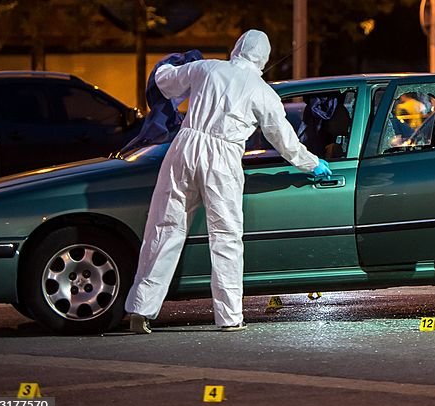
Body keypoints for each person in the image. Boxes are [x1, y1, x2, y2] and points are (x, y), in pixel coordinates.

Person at [125, 30, 331, 334]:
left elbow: (165, 81)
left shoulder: (207, 67)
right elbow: (284, 140)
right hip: (223, 158)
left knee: (164, 227)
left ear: (237, 48)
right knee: (226, 237)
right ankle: (229, 316)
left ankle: (141, 309)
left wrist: (174, 62)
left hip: (183, 148)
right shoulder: (262, 92)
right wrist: (312, 164)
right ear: (263, 58)